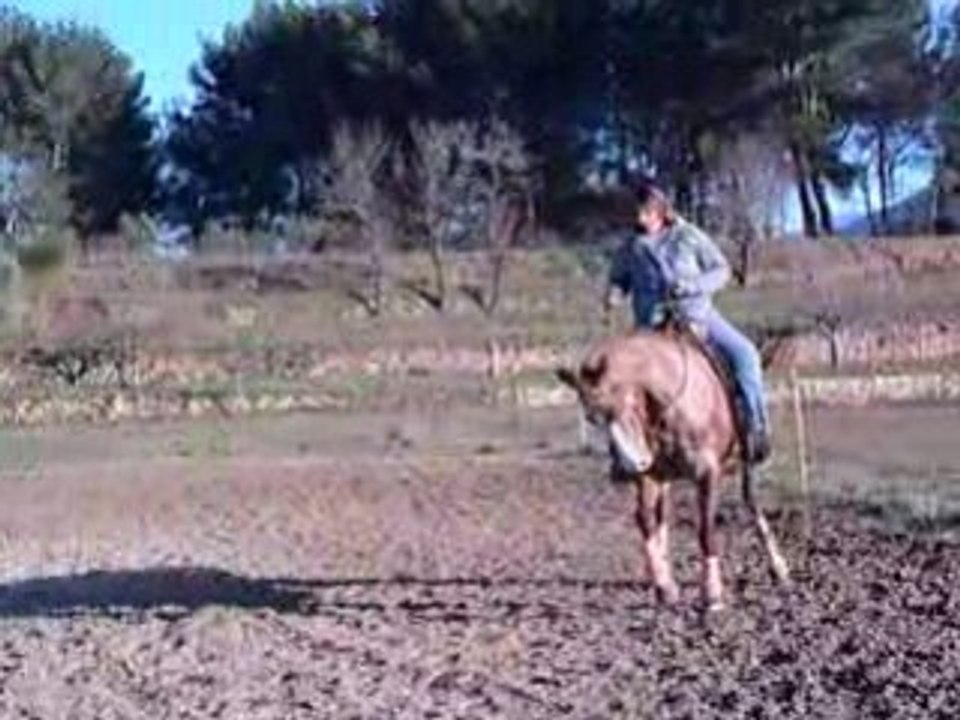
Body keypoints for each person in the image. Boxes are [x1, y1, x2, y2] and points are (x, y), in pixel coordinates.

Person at [603, 180, 772, 465]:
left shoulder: (688, 236)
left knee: (746, 355)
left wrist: (692, 285)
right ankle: (623, 453)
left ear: (657, 211)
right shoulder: (630, 248)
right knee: (616, 379)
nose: (637, 219)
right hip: (650, 330)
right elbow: (619, 280)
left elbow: (722, 270)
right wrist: (613, 295)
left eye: (642, 213)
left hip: (698, 318)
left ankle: (755, 427)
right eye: (635, 213)